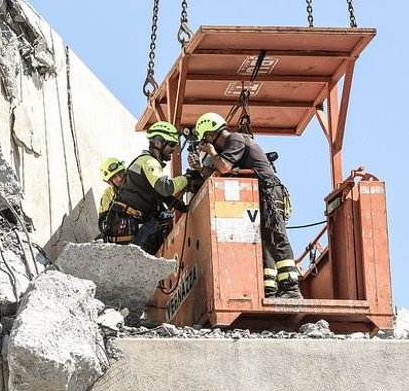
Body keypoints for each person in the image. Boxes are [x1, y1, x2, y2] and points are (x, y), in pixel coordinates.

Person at [193, 112, 302, 299]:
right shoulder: (231, 145)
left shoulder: (235, 139)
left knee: (276, 237)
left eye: (206, 141)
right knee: (265, 241)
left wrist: (211, 152)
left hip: (269, 192)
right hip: (259, 195)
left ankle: (291, 288)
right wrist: (200, 168)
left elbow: (225, 168)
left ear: (210, 136)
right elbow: (219, 174)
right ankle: (270, 289)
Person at [105, 121, 191, 254]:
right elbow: (164, 188)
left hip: (122, 223)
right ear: (158, 143)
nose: (173, 150)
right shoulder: (149, 162)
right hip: (125, 224)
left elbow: (160, 195)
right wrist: (187, 179)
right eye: (171, 145)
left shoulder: (144, 164)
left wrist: (183, 207)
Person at [97, 157, 126, 235]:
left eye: (120, 173)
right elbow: (102, 223)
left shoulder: (135, 184)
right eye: (114, 177)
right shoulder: (108, 194)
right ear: (109, 182)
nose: (119, 178)